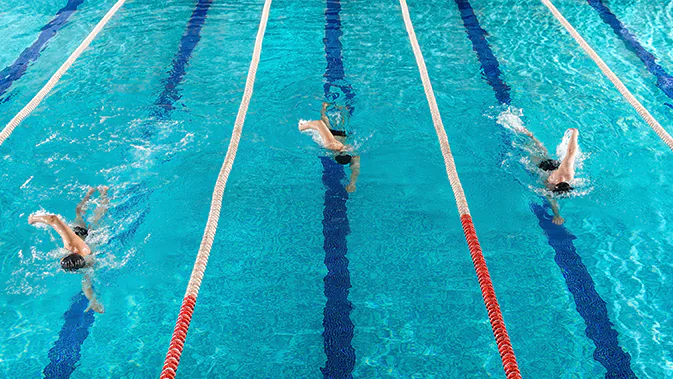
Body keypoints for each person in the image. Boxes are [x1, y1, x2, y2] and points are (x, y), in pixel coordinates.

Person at [28, 186, 109, 313]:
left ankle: (98, 193)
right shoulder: (71, 245)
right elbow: (52, 219)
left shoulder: (86, 263)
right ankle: (99, 192)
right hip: (80, 233)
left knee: (97, 217)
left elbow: (86, 284)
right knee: (78, 211)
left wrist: (93, 300)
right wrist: (34, 219)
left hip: (94, 239)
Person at [521, 127, 580, 225]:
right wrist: (575, 134)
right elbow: (571, 151)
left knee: (540, 151)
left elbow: (552, 201)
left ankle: (531, 136)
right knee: (531, 149)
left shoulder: (558, 183)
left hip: (549, 167)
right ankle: (530, 136)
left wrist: (557, 215)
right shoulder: (567, 172)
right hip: (546, 165)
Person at [299, 102, 361, 192]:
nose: (349, 148)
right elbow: (318, 123)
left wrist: (352, 184)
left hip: (338, 134)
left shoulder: (346, 149)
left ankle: (327, 107)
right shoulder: (333, 145)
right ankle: (328, 107)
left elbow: (356, 167)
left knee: (332, 118)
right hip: (335, 134)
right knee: (327, 119)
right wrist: (302, 127)